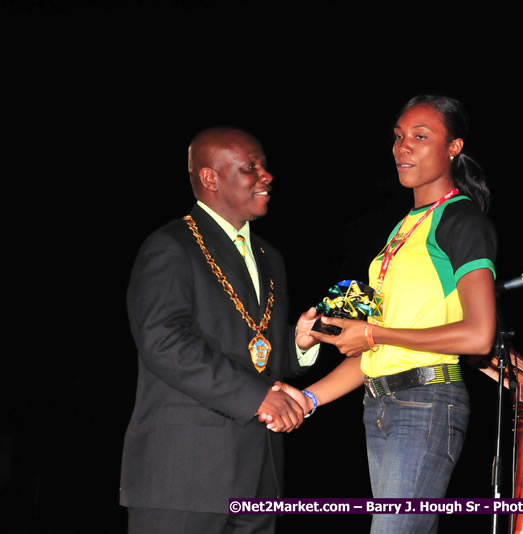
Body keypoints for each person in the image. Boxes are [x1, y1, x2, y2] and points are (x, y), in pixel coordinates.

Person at [271, 95, 498, 534]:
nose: (403, 147)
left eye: (420, 136)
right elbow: (378, 350)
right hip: (381, 404)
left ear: (454, 147)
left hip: (426, 402)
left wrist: (373, 333)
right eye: (397, 136)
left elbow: (479, 335)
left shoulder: (461, 221)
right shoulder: (402, 228)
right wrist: (310, 398)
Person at [120, 127, 321, 534]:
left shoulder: (270, 257)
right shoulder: (170, 246)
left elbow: (255, 350)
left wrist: (296, 345)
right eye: (251, 167)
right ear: (211, 178)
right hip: (184, 479)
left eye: (264, 165)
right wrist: (256, 397)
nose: (267, 175)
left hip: (259, 477)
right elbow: (164, 342)